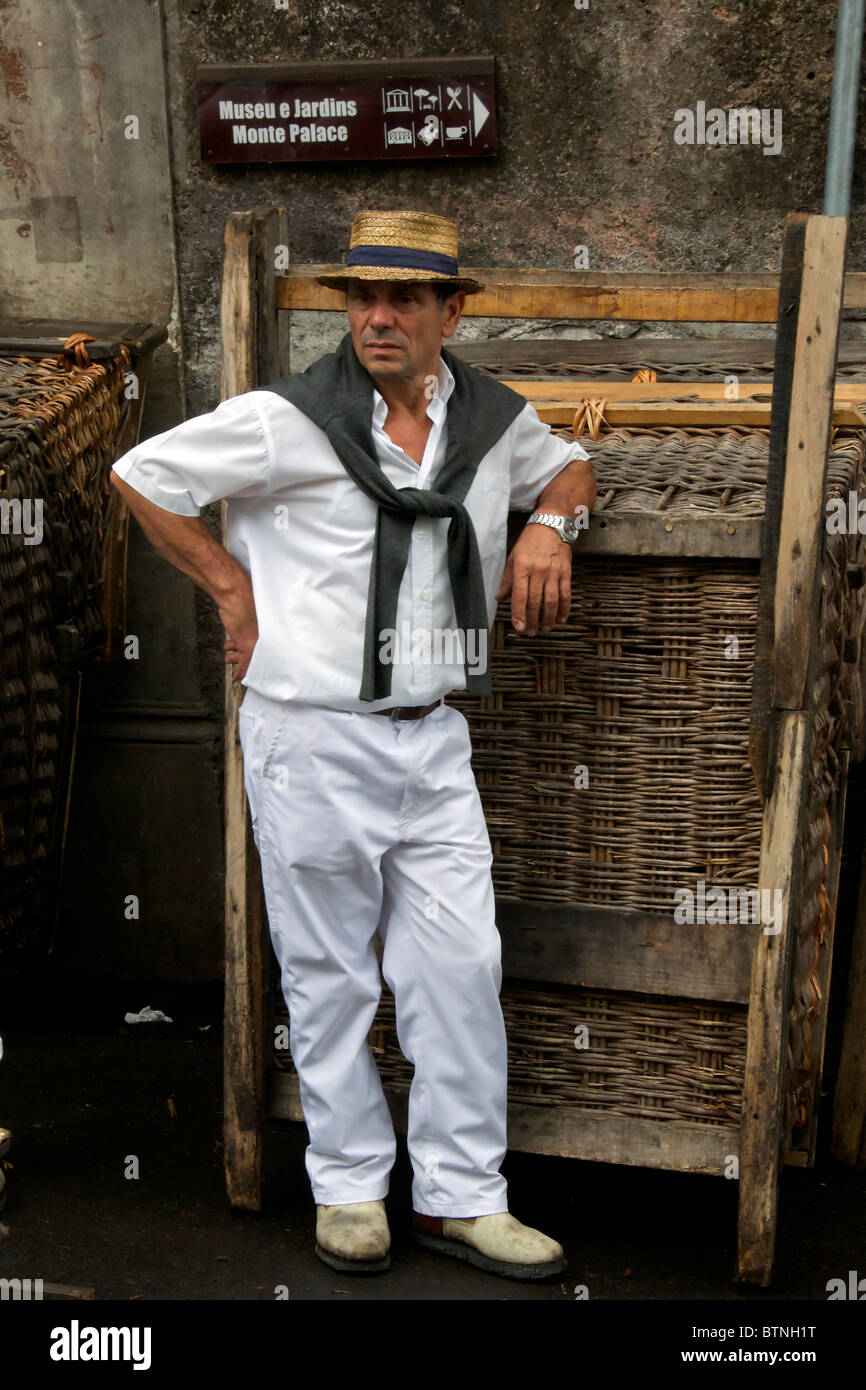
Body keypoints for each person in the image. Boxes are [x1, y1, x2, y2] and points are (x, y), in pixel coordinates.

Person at [110, 208, 597, 1281]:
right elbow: (140, 471)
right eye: (360, 297)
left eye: (405, 298)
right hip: (311, 733)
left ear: (449, 311)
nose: (377, 316)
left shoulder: (487, 418)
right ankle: (347, 1190)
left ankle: (460, 1199)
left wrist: (547, 524)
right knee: (329, 974)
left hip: (430, 740)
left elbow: (568, 462)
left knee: (460, 966)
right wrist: (229, 585)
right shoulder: (286, 420)